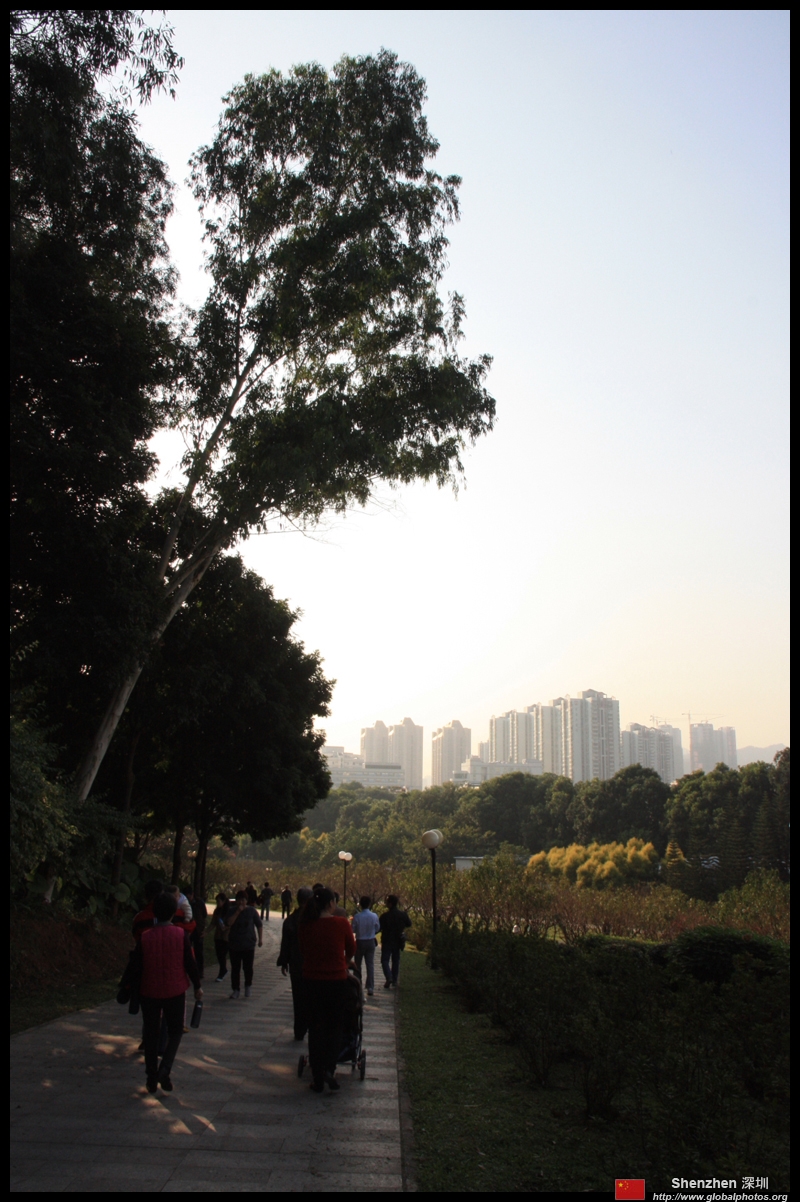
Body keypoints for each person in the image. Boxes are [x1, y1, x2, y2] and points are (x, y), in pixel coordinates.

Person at [123, 891, 203, 1093]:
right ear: (173, 912)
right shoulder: (180, 935)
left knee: (151, 1034)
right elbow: (190, 963)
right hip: (175, 989)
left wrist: (127, 987)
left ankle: (151, 1076)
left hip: (149, 990)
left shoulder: (145, 937)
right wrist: (197, 986)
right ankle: (165, 1069)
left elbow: (135, 966)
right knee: (175, 1032)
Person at [298, 887, 356, 1092]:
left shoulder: (305, 924)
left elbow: (303, 950)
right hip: (336, 982)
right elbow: (352, 948)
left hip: (311, 982)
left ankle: (317, 1078)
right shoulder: (341, 923)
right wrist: (345, 962)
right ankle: (330, 1069)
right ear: (331, 903)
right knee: (335, 1027)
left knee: (315, 1029)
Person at [277, 886, 313, 1039]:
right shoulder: (315, 920)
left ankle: (299, 1030)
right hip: (312, 965)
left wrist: (284, 961)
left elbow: (285, 944)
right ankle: (311, 1028)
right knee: (311, 998)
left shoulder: (291, 920)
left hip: (296, 964)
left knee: (298, 998)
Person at [226, 889, 263, 998]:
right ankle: (236, 989)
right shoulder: (231, 910)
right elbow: (228, 923)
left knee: (248, 968)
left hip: (248, 944)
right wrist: (237, 912)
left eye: (243, 900)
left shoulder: (252, 911)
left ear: (246, 901)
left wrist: (260, 939)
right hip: (234, 944)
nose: (241, 902)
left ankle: (248, 986)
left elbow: (259, 925)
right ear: (236, 901)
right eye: (239, 900)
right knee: (235, 969)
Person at [379, 895, 411, 989]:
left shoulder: (385, 916)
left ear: (390, 904)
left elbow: (379, 928)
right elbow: (409, 924)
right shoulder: (403, 915)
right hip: (398, 940)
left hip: (387, 940)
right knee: (395, 960)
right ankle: (394, 979)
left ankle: (389, 976)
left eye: (387, 902)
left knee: (385, 960)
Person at [351, 896, 380, 996]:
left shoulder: (357, 916)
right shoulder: (374, 916)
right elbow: (377, 928)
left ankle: (357, 985)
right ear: (369, 904)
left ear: (360, 904)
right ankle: (370, 987)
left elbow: (353, 929)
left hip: (360, 941)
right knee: (370, 964)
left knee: (357, 964)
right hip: (371, 941)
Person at [184, 884, 207, 979]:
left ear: (192, 894)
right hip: (188, 929)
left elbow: (204, 914)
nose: (188, 898)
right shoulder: (184, 904)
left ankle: (200, 971)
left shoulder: (199, 902)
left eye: (189, 896)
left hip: (198, 929)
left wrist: (202, 926)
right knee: (187, 950)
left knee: (199, 951)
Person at [210, 892, 230, 981]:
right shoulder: (217, 911)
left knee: (222, 954)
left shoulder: (229, 911)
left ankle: (222, 972)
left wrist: (227, 927)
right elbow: (213, 923)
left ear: (224, 901)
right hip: (218, 936)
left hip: (226, 937)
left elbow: (231, 923)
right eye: (217, 901)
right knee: (219, 954)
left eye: (219, 901)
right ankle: (223, 970)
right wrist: (206, 932)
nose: (217, 903)